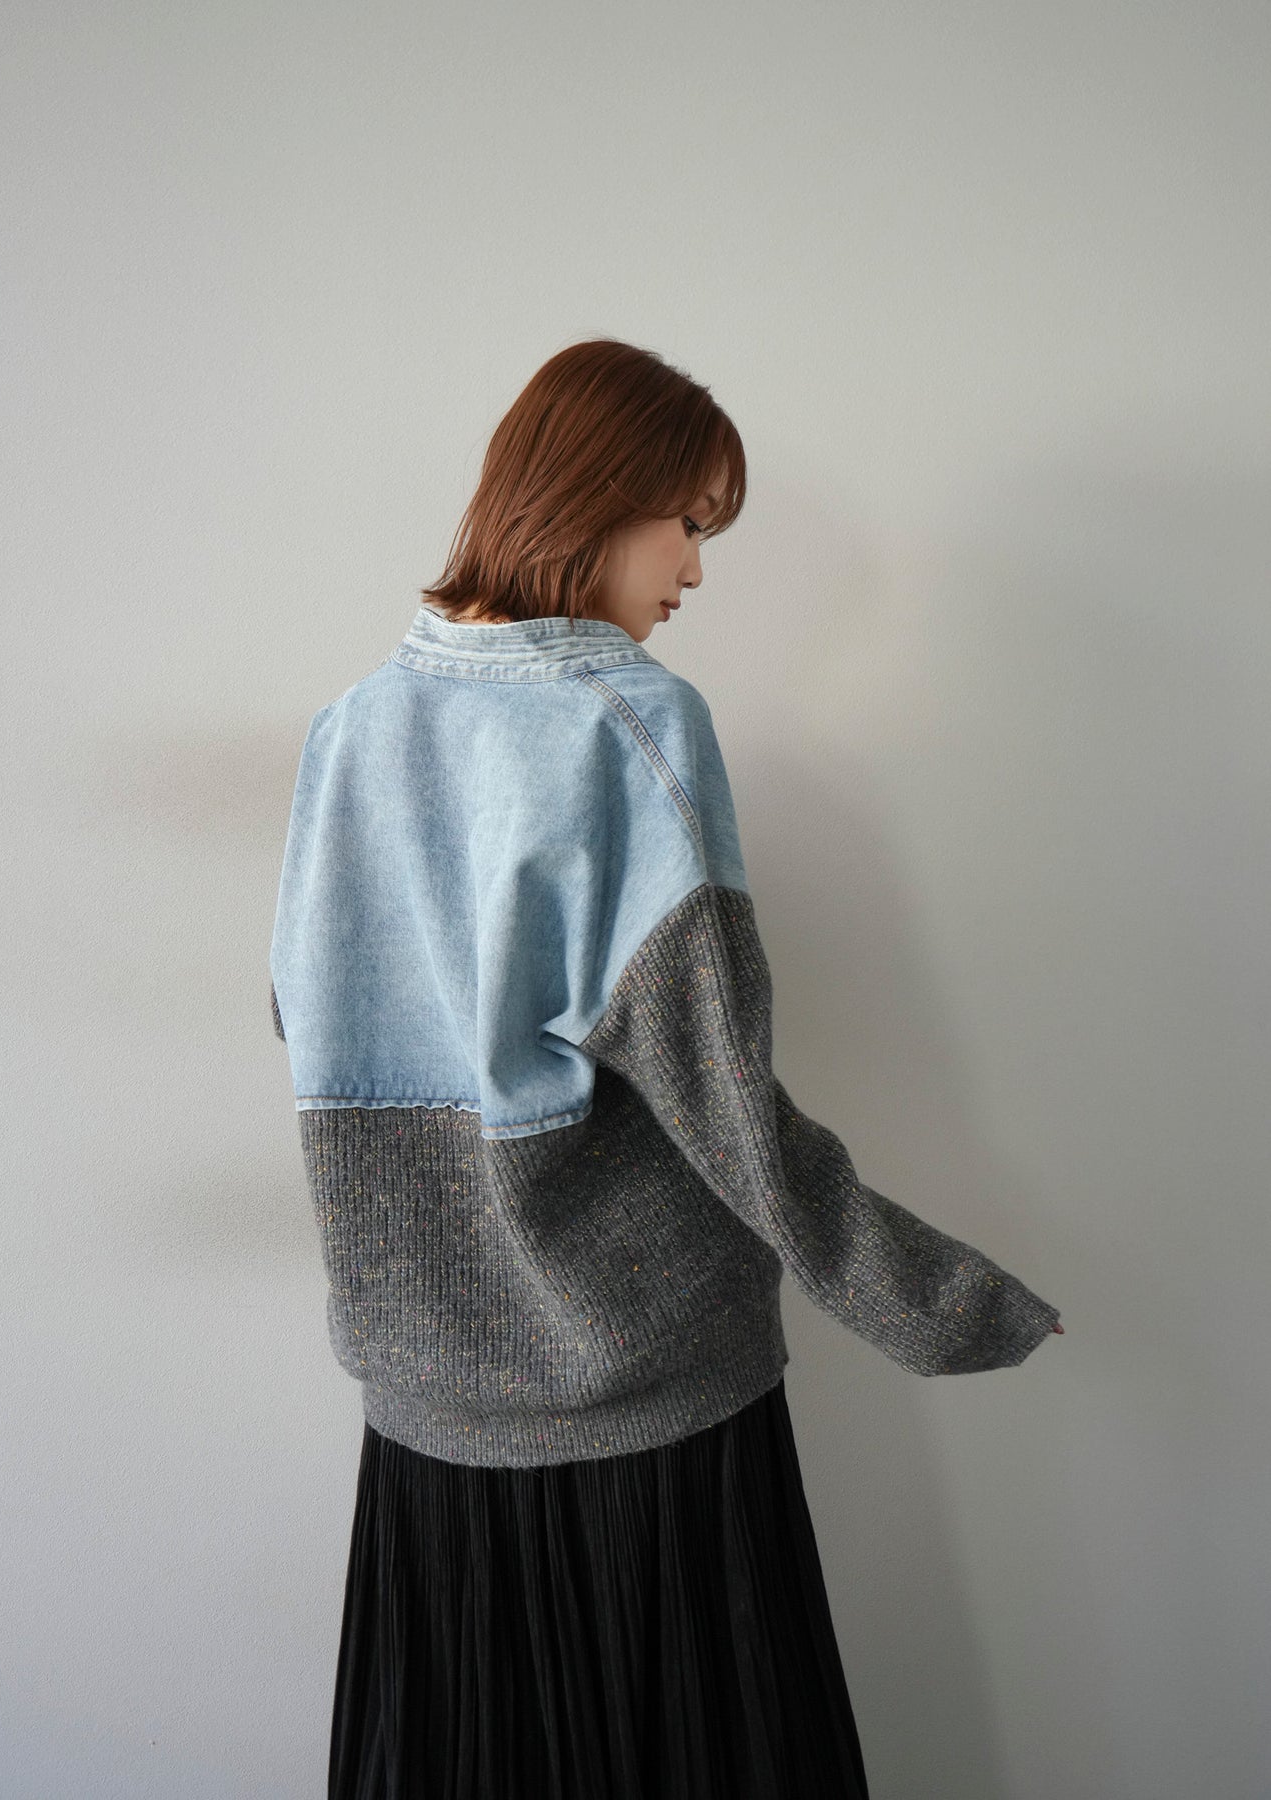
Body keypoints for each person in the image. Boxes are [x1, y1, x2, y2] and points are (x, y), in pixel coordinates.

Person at [268, 337, 1063, 1800]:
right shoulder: (628, 719)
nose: (694, 572)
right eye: (686, 524)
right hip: (648, 1409)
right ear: (590, 496)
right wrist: (926, 1297)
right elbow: (723, 1103)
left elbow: (308, 1032)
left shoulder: (351, 731)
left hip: (428, 1419)